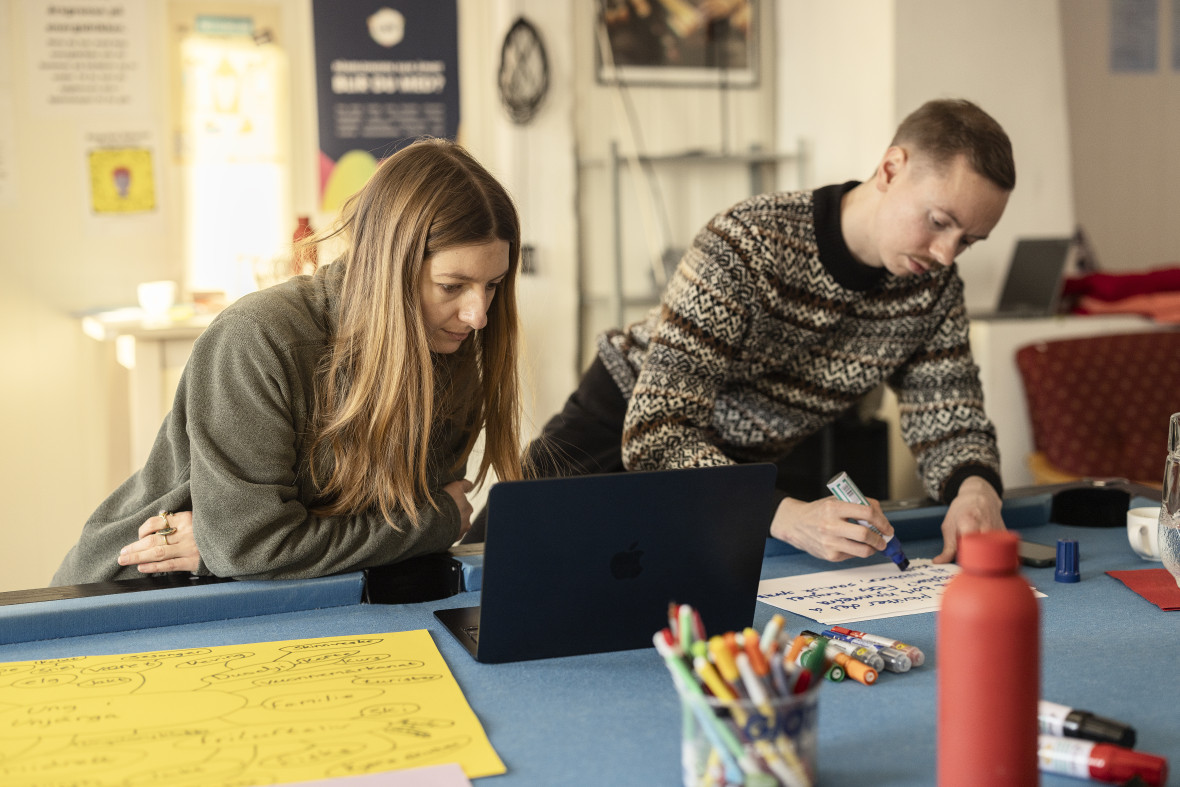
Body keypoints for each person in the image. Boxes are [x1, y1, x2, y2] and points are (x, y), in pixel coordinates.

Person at [487, 98, 1014, 565]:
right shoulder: (749, 242)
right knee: (484, 571)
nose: (946, 254)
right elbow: (657, 435)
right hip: (619, 424)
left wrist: (974, 489)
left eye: (969, 240)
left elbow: (952, 418)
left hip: (729, 474)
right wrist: (783, 515)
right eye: (939, 221)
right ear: (891, 168)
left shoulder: (933, 288)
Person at [53, 138, 525, 584]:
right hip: (140, 586)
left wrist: (235, 545)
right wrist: (434, 523)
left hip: (281, 593)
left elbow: (396, 526)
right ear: (387, 268)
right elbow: (256, 547)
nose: (478, 314)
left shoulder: (451, 341)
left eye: (493, 285)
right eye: (451, 286)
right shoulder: (258, 337)